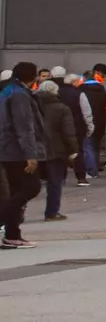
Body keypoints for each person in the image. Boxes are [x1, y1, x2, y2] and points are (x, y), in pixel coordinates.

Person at [1, 62, 48, 247]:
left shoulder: (7, 91)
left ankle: (12, 234)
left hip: (7, 149)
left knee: (15, 191)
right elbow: (24, 126)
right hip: (18, 150)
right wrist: (31, 154)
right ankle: (6, 223)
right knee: (31, 187)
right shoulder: (20, 95)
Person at [35, 80, 76, 222]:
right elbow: (68, 131)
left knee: (26, 184)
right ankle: (52, 212)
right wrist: (73, 149)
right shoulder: (61, 108)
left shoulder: (32, 104)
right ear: (55, 92)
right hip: (55, 150)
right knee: (55, 182)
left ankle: (18, 212)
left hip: (33, 149)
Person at [56, 71, 94, 184]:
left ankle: (61, 177)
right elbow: (86, 111)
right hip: (77, 126)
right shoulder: (79, 93)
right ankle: (81, 177)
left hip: (59, 126)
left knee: (61, 151)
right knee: (78, 151)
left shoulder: (57, 93)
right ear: (75, 82)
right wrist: (90, 125)